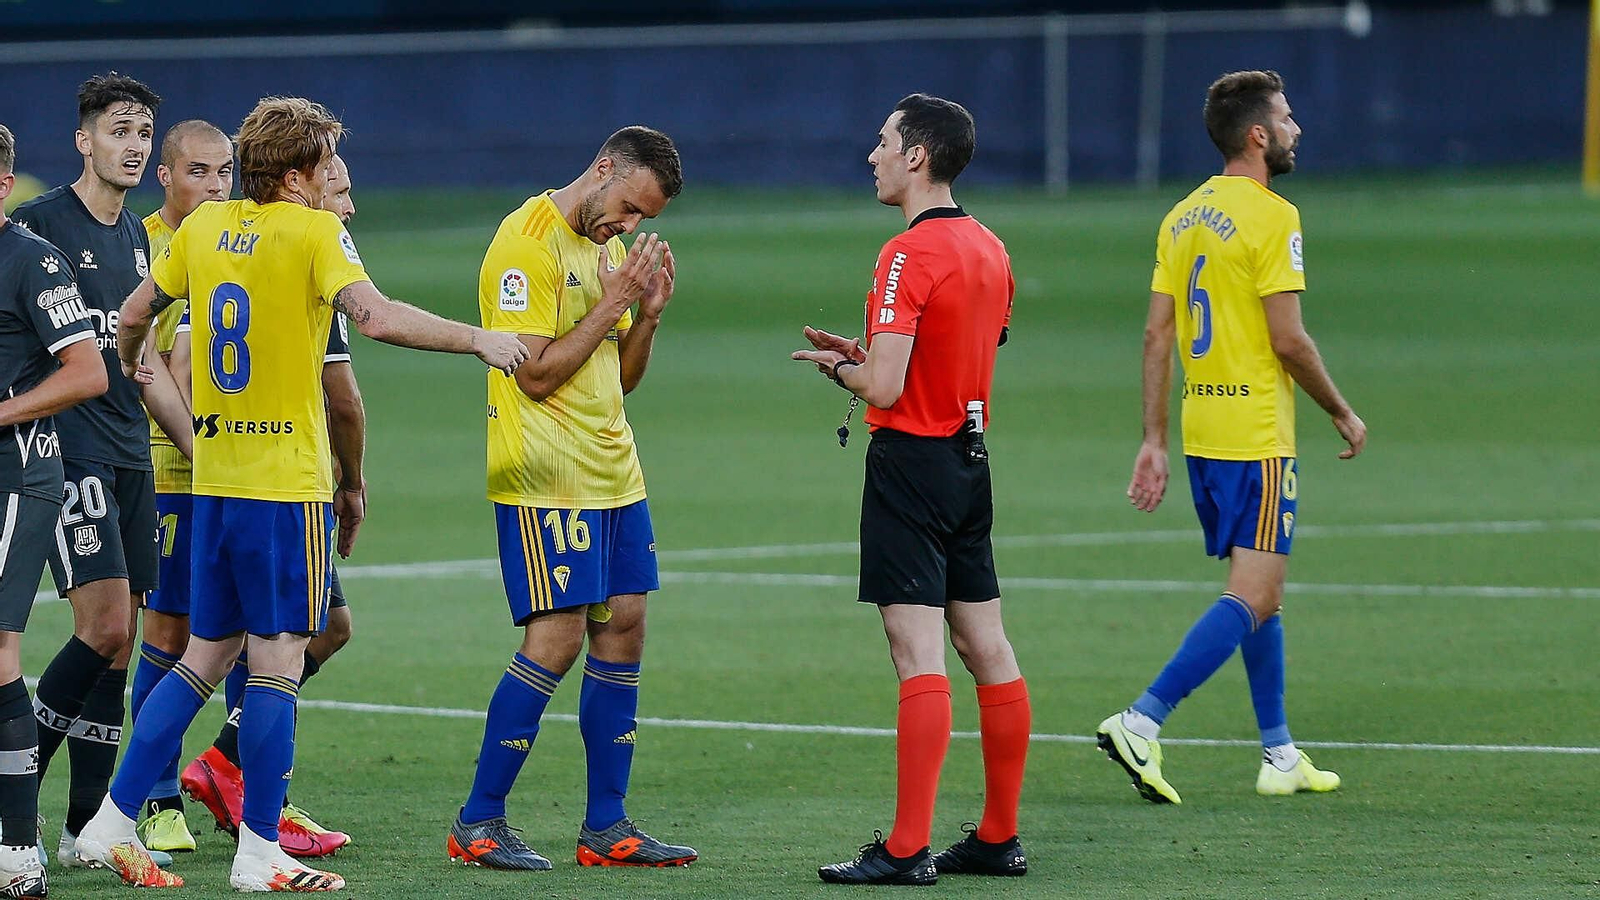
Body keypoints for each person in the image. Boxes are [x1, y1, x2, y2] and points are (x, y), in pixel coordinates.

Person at [72, 96, 528, 892]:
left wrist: (140, 362)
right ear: (295, 175)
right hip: (285, 490)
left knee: (203, 657)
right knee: (278, 665)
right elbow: (377, 319)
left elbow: (136, 313)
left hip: (212, 482)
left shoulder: (203, 230)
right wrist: (479, 339)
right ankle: (256, 853)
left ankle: (111, 822)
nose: (333, 185)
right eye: (324, 169)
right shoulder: (317, 233)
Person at [1096, 69, 1366, 805]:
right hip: (1256, 435)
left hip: (1201, 432)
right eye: (1286, 116)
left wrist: (1152, 437)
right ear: (1258, 135)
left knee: (1261, 594)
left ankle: (1279, 753)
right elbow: (1290, 339)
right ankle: (1142, 721)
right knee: (1255, 592)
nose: (1296, 127)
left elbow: (1157, 333)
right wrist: (1340, 409)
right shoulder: (1274, 217)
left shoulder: (1182, 216)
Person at [794, 93, 1029, 886]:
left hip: (911, 466)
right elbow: (965, 349)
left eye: (884, 139)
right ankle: (999, 837)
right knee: (986, 646)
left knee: (916, 651)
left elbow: (889, 388)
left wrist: (841, 368)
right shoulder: (991, 247)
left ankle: (905, 849)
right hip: (970, 462)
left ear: (918, 156)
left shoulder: (906, 254)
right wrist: (866, 351)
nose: (874, 154)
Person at [447, 126, 697, 872]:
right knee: (554, 639)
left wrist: (644, 314)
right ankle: (478, 821)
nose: (630, 226)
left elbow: (619, 376)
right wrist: (613, 297)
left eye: (642, 219)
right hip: (545, 478)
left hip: (616, 471)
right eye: (627, 207)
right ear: (602, 169)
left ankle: (606, 827)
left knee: (625, 625)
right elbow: (535, 374)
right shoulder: (525, 245)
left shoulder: (606, 248)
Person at [10, 72, 189, 866]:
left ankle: (85, 825)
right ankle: (18, 805)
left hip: (128, 451)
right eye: (118, 131)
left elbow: (142, 359)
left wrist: (189, 443)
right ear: (84, 141)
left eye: (143, 133)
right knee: (107, 627)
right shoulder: (36, 227)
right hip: (65, 452)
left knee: (120, 646)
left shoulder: (139, 240)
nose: (132, 145)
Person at [175, 153, 361, 859]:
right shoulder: (311, 257)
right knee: (248, 648)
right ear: (301, 184)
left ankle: (214, 778)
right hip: (281, 484)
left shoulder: (228, 241)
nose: (348, 206)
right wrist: (352, 478)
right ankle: (241, 804)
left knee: (324, 626)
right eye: (339, 190)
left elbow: (155, 334)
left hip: (236, 475)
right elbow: (342, 396)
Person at [0, 121, 110, 900]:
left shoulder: (31, 259)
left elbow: (89, 372)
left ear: (4, 183)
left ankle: (18, 854)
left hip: (16, 476)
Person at [127, 118, 233, 857]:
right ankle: (158, 798)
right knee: (168, 636)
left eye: (224, 172)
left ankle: (248, 783)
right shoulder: (144, 247)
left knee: (264, 632)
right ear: (165, 175)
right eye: (199, 172)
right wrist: (201, 445)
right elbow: (144, 367)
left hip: (237, 468)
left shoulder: (232, 240)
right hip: (168, 468)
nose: (216, 186)